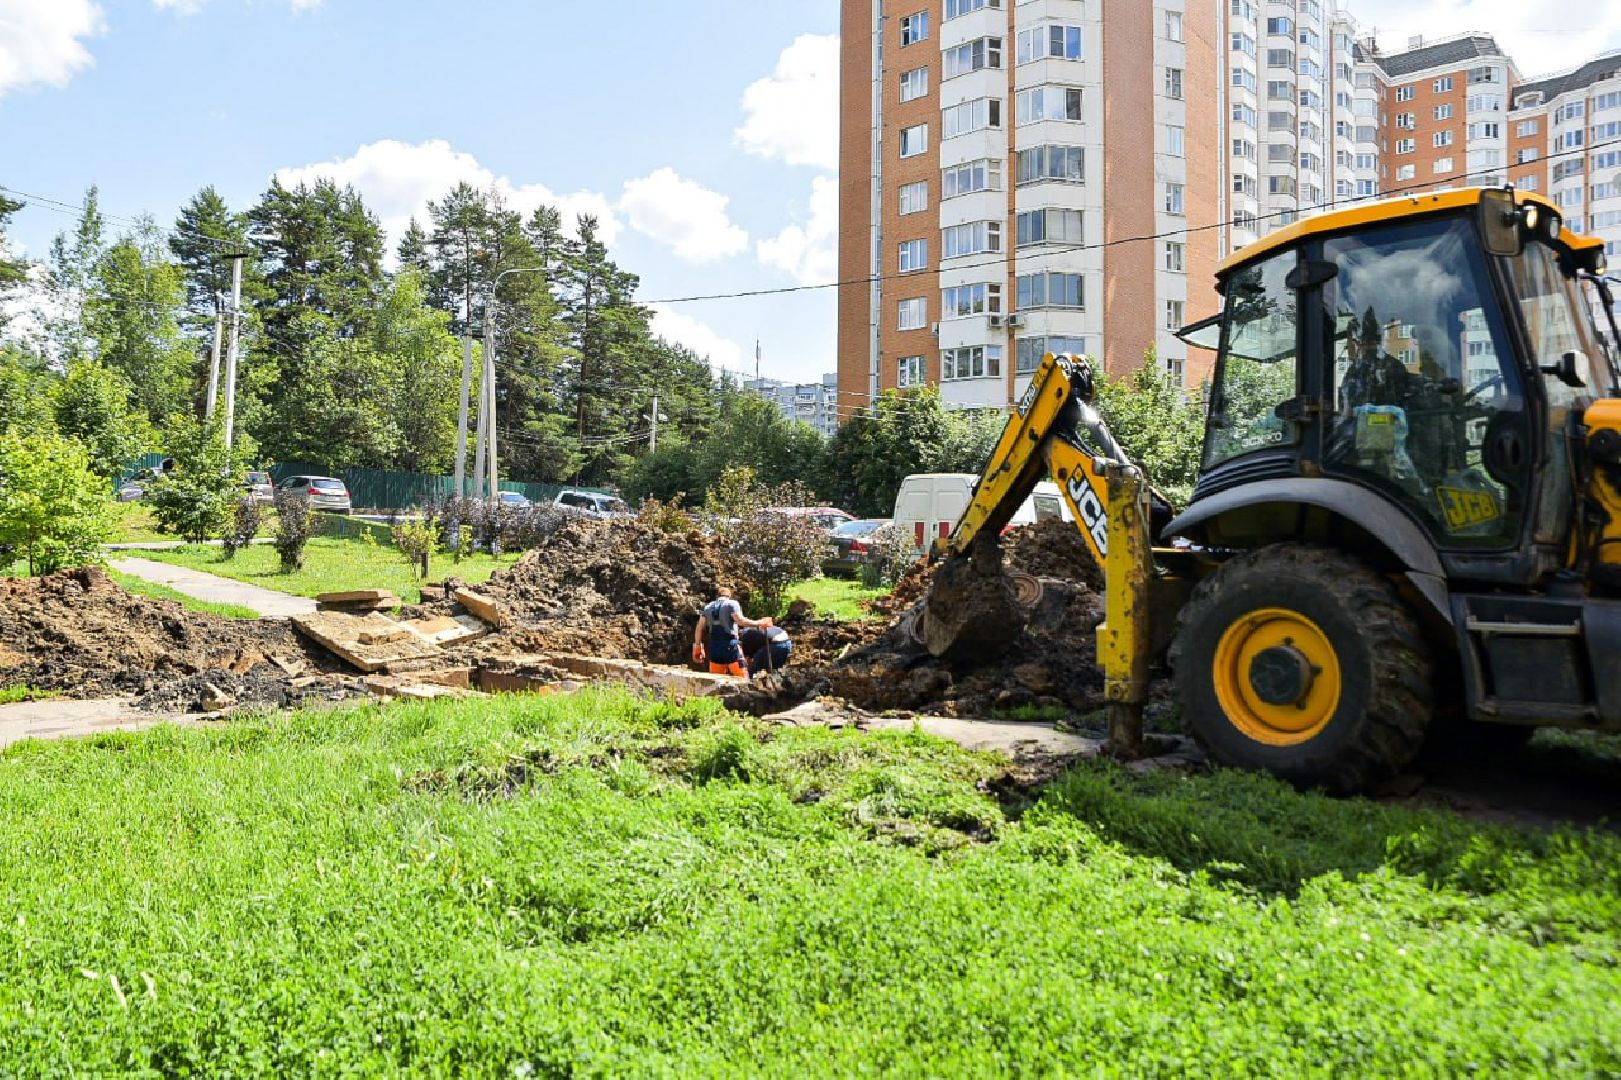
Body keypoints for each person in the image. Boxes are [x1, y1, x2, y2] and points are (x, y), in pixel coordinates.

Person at [692, 587, 773, 678]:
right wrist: (760, 622)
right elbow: (740, 621)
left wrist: (697, 647)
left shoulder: (708, 607)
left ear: (717, 596)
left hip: (715, 648)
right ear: (729, 596)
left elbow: (699, 627)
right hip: (730, 646)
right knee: (743, 678)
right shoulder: (732, 604)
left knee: (715, 679)